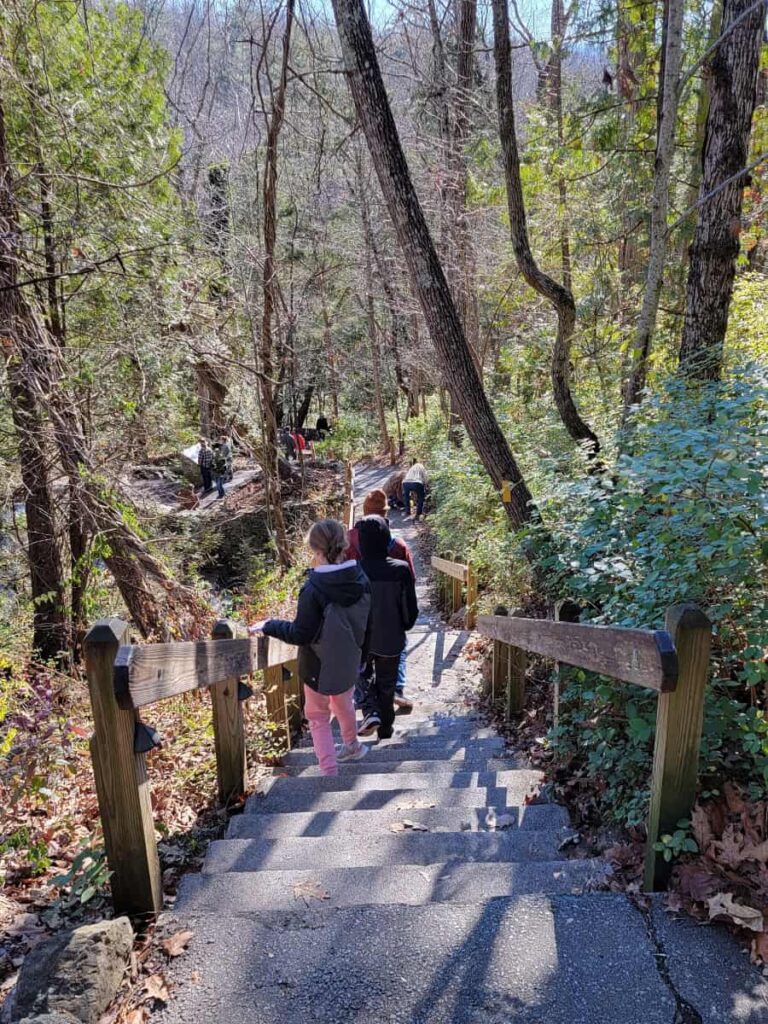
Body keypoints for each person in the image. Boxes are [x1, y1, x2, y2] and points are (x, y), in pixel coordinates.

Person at [259, 520, 371, 776]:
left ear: (315, 550)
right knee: (344, 702)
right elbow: (370, 623)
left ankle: (329, 771)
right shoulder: (362, 579)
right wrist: (361, 657)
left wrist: (270, 625)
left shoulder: (313, 589)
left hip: (318, 666)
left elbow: (301, 633)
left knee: (318, 715)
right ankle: (352, 744)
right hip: (350, 659)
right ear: (344, 545)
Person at [346, 489, 416, 713]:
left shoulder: (347, 540)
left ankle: (364, 699)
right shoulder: (398, 545)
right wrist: (407, 618)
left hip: (359, 616)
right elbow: (410, 581)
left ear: (364, 512)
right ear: (385, 515)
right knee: (397, 646)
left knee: (360, 656)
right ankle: (396, 689)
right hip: (391, 615)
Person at [356, 516, 418, 739]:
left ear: (361, 542)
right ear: (387, 540)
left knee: (360, 676)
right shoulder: (401, 570)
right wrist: (404, 625)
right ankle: (386, 728)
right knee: (387, 683)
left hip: (361, 640)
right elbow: (410, 610)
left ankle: (370, 710)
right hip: (391, 638)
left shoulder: (354, 571)